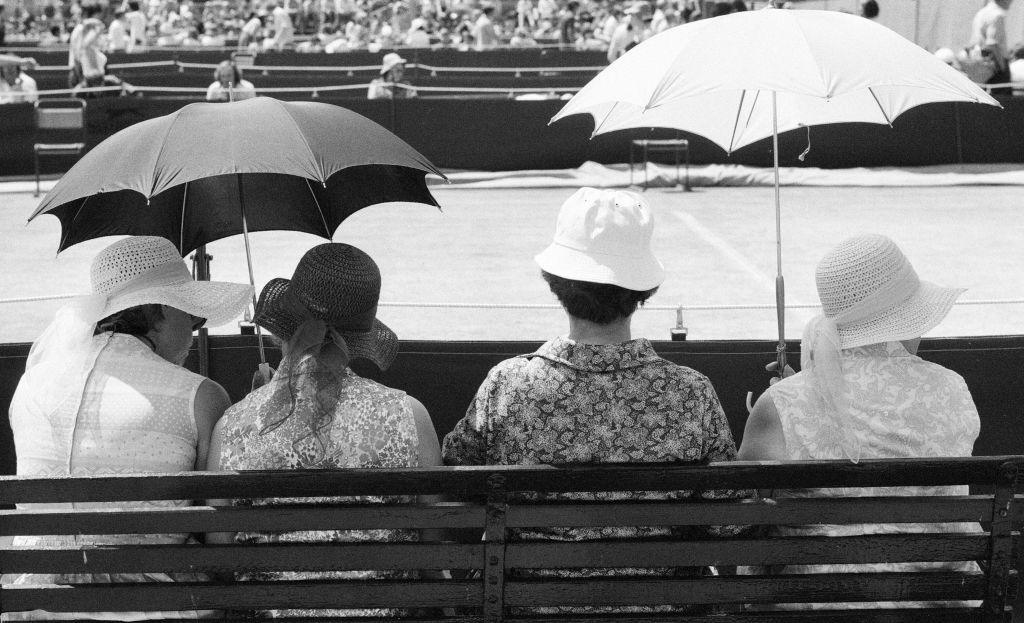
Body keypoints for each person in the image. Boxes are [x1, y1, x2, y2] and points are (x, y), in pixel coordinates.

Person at [442, 187, 748, 614]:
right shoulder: (691, 393)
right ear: (642, 290)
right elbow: (726, 521)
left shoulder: (507, 385)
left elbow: (457, 488)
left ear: (556, 283)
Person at [4, 236, 252, 620]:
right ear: (159, 311)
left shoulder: (31, 385)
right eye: (191, 314)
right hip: (159, 610)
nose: (194, 329)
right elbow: (221, 542)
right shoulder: (199, 395)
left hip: (37, 607)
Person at [738, 233, 982, 609]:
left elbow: (741, 508)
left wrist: (789, 399)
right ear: (904, 319)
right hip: (936, 603)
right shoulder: (953, 389)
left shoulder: (783, 403)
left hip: (816, 608)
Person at [208, 243, 442, 618]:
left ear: (285, 326)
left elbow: (220, 551)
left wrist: (261, 403)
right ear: (361, 335)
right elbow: (433, 541)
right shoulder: (409, 416)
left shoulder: (234, 424)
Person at [969, 0, 1013, 91]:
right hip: (994, 62)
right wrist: (1002, 68)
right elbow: (992, 43)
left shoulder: (981, 13)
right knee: (1001, 98)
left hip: (979, 59)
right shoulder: (997, 15)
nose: (1011, 1)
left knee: (983, 97)